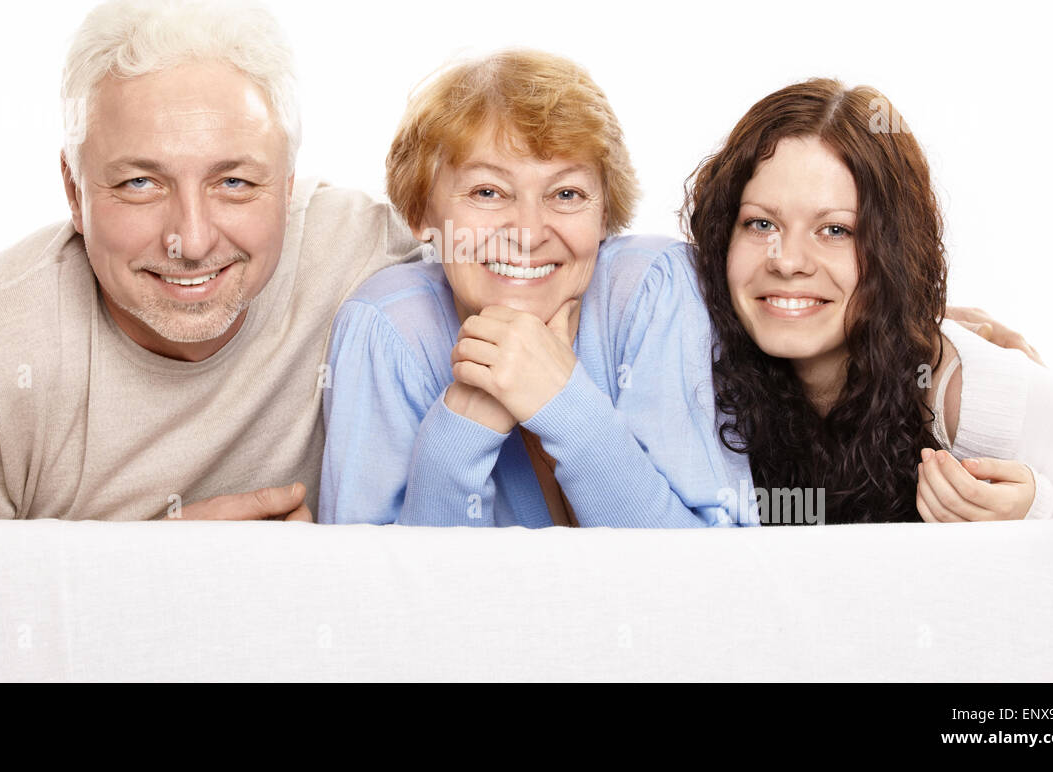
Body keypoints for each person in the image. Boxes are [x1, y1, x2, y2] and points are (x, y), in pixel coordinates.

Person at [0, 0, 418, 520]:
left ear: (289, 186)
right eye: (140, 184)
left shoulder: (366, 252)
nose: (192, 241)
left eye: (235, 183)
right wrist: (148, 578)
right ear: (75, 192)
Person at [318, 50, 754, 527]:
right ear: (422, 213)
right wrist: (462, 429)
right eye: (487, 192)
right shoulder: (385, 327)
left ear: (605, 212)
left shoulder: (654, 287)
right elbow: (376, 592)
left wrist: (562, 402)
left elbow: (712, 572)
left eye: (566, 194)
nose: (528, 233)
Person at [682, 79, 1053, 523]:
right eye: (761, 224)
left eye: (836, 230)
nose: (788, 261)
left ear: (893, 250)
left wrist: (1039, 511)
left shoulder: (968, 395)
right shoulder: (686, 346)